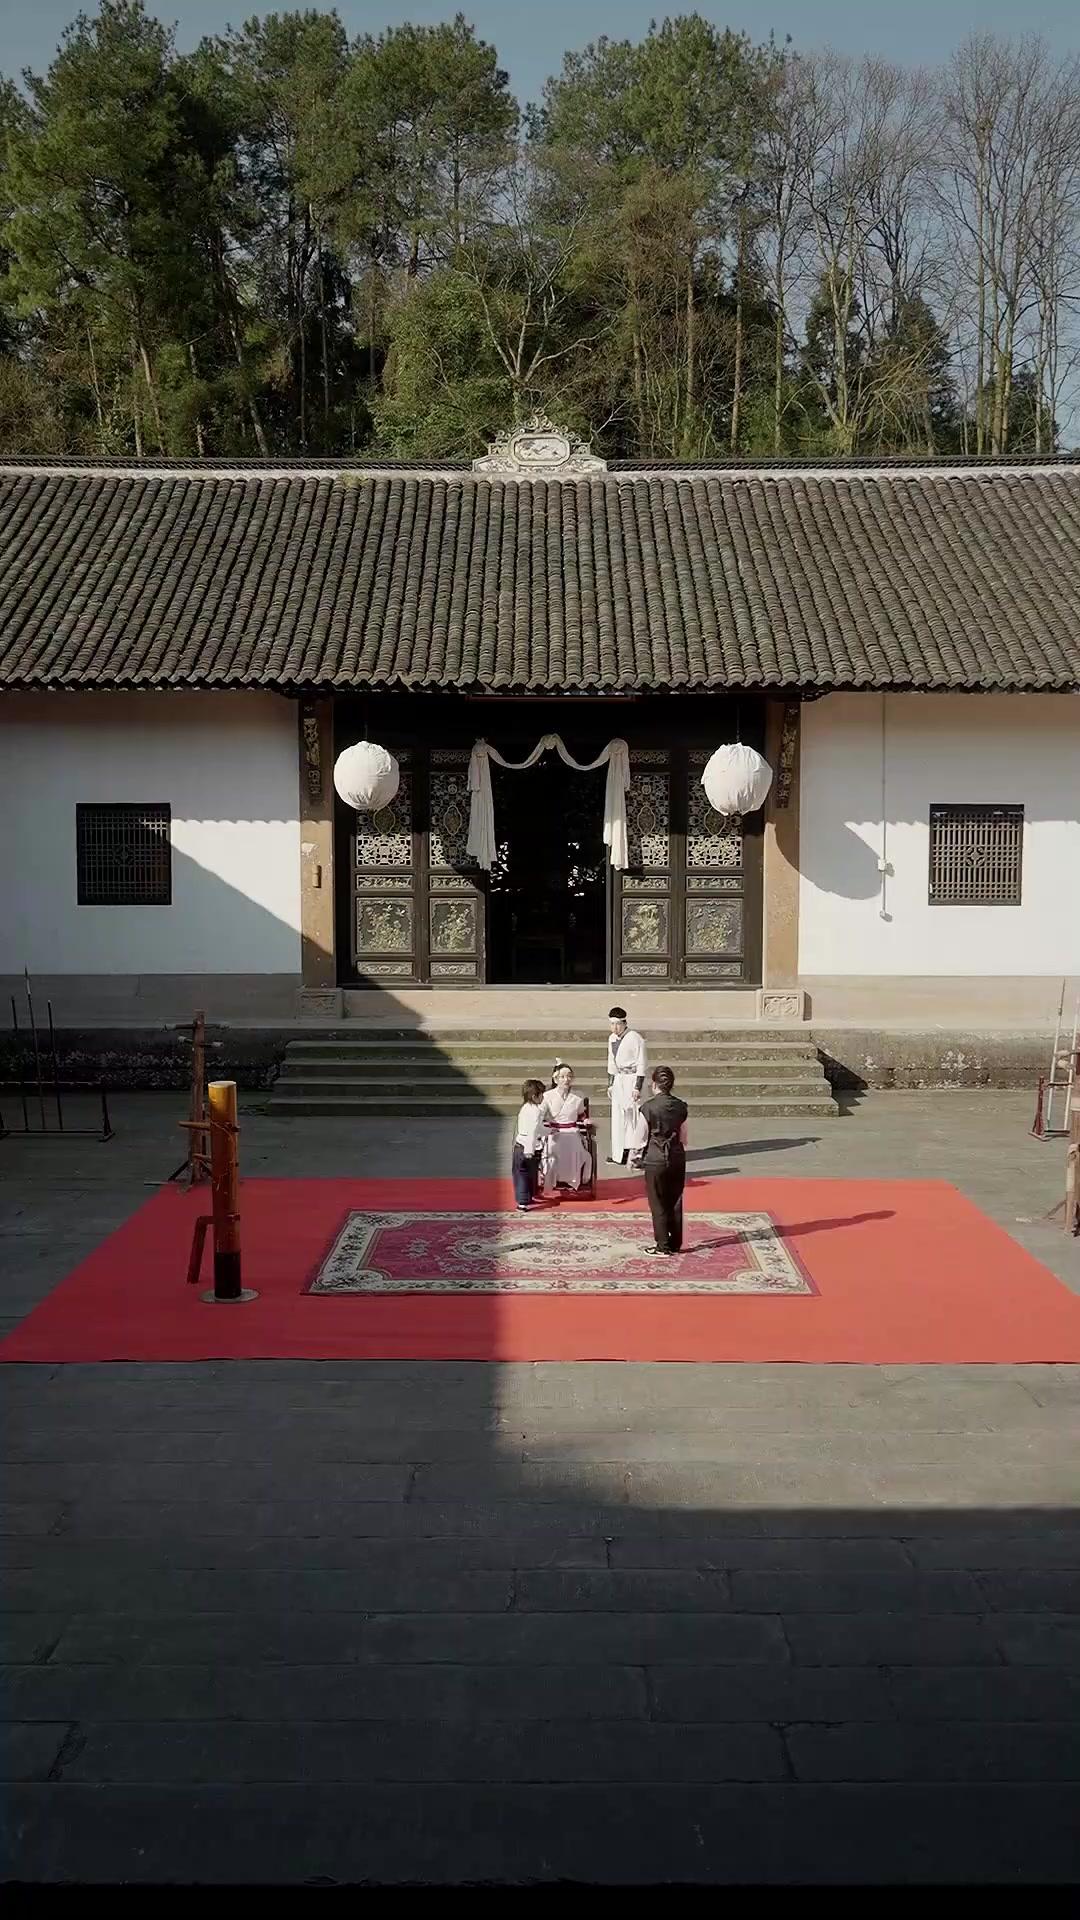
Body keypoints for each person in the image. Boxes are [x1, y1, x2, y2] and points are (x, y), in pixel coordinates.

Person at [631, 1065, 689, 1255]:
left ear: (654, 1084)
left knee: (658, 1202)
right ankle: (675, 1242)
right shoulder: (681, 1107)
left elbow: (640, 1136)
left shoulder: (648, 1108)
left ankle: (662, 1245)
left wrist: (635, 1156)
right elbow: (684, 1137)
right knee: (675, 1200)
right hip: (677, 1156)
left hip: (655, 1157)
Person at [541, 1062, 592, 1192]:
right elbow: (541, 1114)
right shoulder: (547, 1096)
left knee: (574, 1146)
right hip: (554, 1131)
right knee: (552, 1148)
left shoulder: (578, 1096)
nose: (566, 1080)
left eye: (569, 1076)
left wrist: (585, 1120)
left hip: (572, 1131)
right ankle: (551, 1178)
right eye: (562, 1077)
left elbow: (581, 1113)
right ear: (556, 1079)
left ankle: (572, 1179)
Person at [606, 1006, 647, 1165]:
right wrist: (610, 1084)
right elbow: (611, 1061)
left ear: (624, 1023)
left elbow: (642, 1063)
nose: (615, 1028)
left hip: (632, 1078)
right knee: (618, 1117)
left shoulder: (635, 1038)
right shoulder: (611, 1039)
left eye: (617, 1024)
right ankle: (619, 1152)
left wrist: (638, 1086)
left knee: (634, 1117)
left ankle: (636, 1152)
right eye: (612, 1024)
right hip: (619, 1079)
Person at [512, 1078, 546, 1211]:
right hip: (530, 1147)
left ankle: (523, 1200)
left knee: (521, 1173)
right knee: (527, 1174)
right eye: (541, 1094)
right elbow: (533, 1131)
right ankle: (526, 1198)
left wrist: (548, 1131)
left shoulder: (525, 1108)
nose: (543, 1097)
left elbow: (536, 1128)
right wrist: (529, 1149)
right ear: (534, 1096)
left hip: (521, 1145)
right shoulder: (536, 1111)